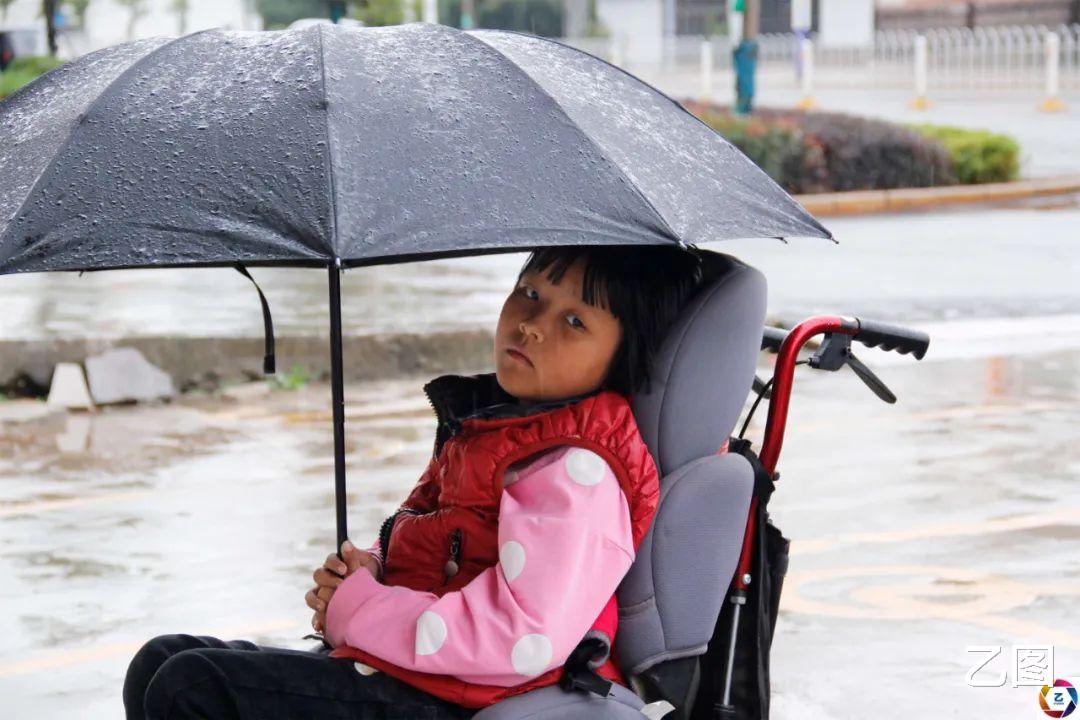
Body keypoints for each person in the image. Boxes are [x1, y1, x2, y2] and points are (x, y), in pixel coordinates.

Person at [123, 245, 705, 719]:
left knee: (189, 687)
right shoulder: (498, 429)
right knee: (161, 660)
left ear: (624, 357)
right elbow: (425, 537)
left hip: (465, 693)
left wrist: (360, 608)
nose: (531, 325)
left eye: (574, 321)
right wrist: (368, 570)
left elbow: (520, 638)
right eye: (530, 294)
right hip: (419, 668)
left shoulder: (576, 471)